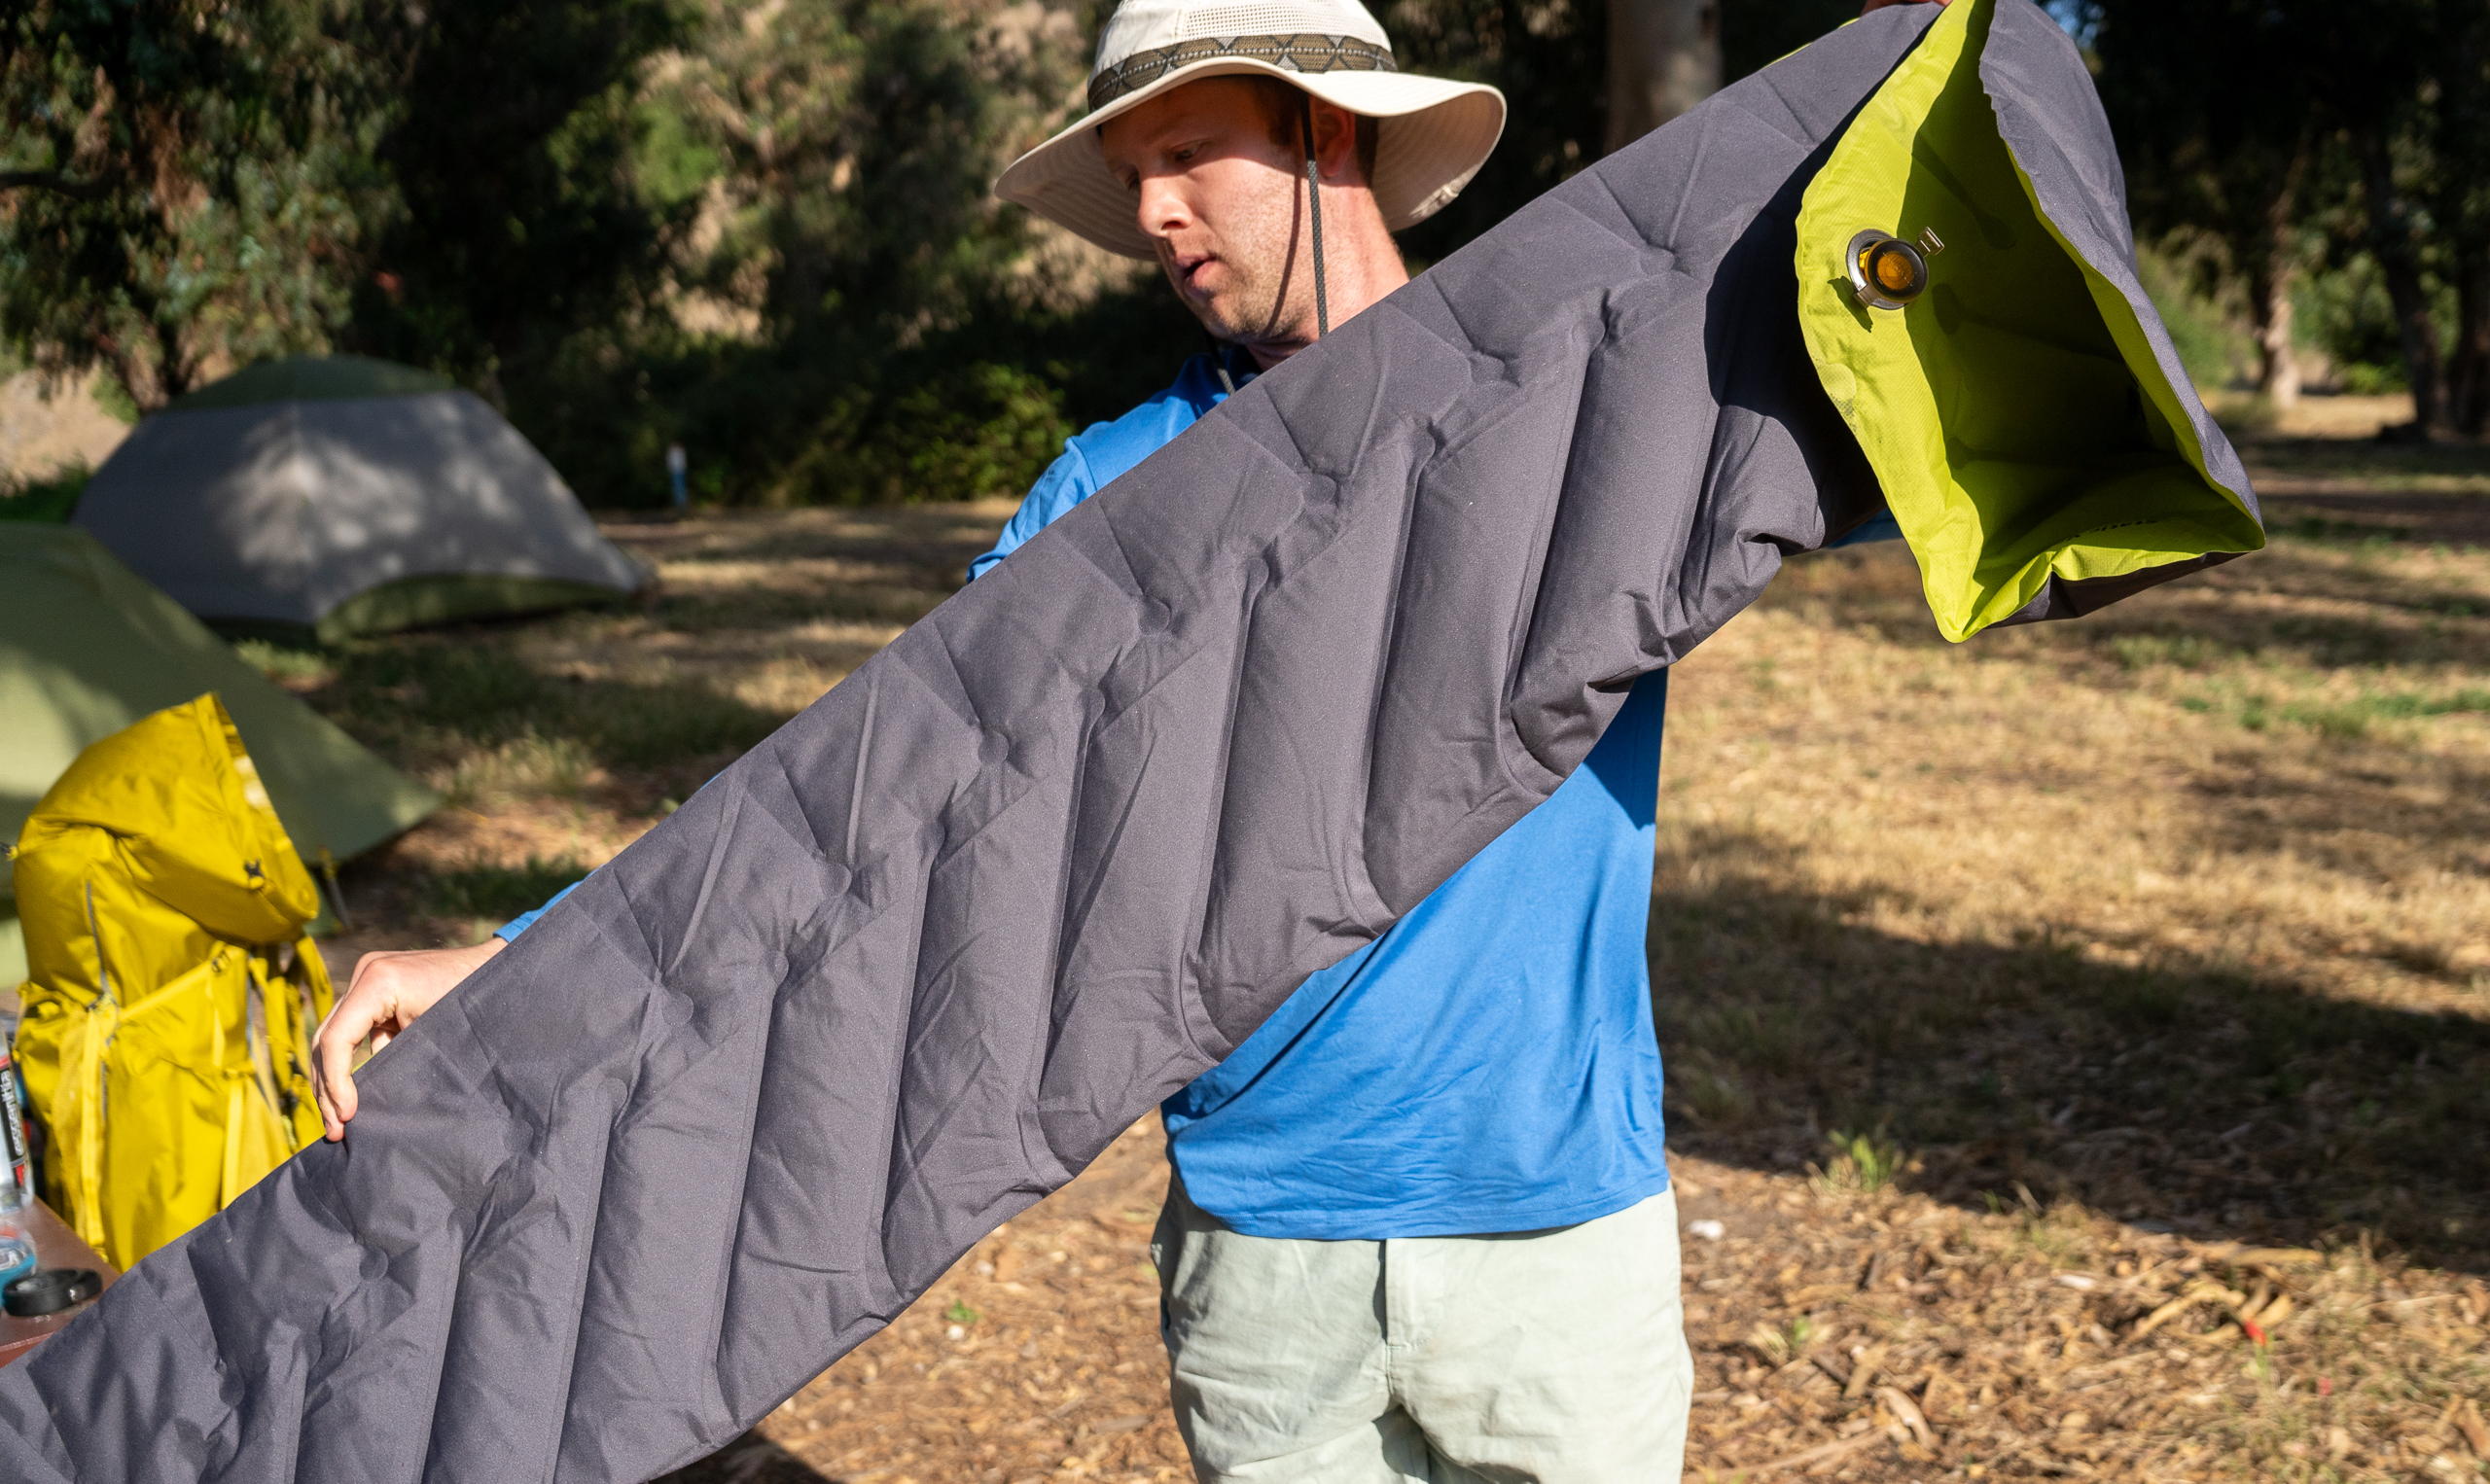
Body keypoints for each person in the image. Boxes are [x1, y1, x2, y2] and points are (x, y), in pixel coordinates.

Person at [313, 0, 1939, 1477]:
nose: (1151, 214)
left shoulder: (1579, 397)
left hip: (1553, 1246)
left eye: (1183, 155)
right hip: (1269, 1264)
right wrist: (512, 965)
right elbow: (860, 803)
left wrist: (1903, 121)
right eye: (1130, 172)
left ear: (1328, 133)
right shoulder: (1113, 499)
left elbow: (1910, 406)